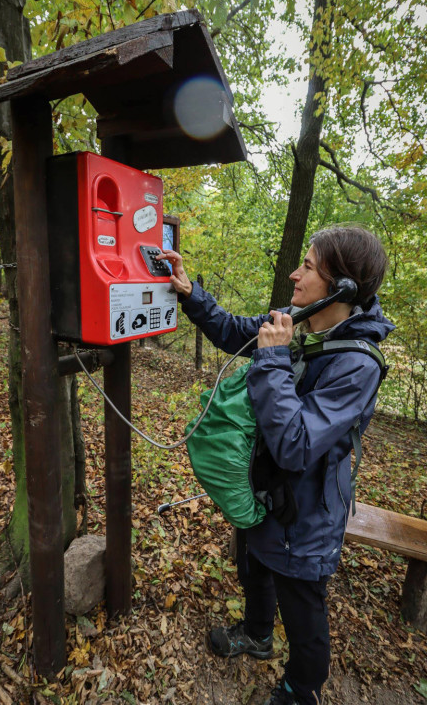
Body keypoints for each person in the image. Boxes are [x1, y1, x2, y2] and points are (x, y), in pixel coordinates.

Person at [157, 225, 392, 705]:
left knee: (304, 612)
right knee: (254, 567)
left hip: (307, 515)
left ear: (343, 285)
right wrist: (188, 292)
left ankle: (300, 689)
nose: (294, 272)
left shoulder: (358, 365)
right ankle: (258, 634)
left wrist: (273, 361)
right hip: (266, 491)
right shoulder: (299, 322)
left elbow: (297, 444)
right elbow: (234, 331)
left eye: (307, 266)